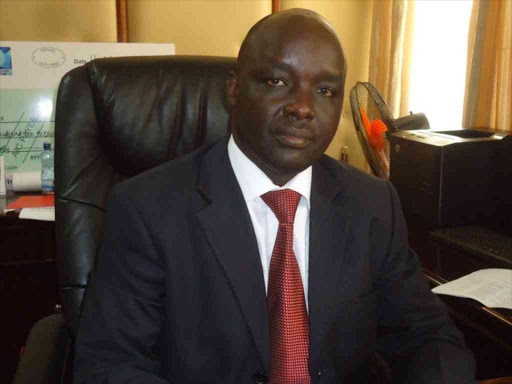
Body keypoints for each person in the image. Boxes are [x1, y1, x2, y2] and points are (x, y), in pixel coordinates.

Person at [74, 9, 476, 384]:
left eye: (324, 89)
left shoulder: (373, 204)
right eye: (278, 81)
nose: (303, 108)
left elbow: (427, 336)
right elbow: (111, 365)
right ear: (234, 90)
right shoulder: (147, 208)